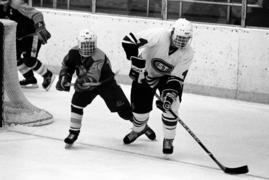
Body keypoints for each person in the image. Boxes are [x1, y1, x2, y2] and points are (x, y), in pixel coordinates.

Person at [55, 29, 156, 148]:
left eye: (90, 45)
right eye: (85, 45)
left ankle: (142, 127)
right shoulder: (73, 52)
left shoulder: (99, 56)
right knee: (76, 103)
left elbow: (93, 77)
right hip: (86, 85)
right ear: (79, 43)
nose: (88, 48)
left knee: (124, 111)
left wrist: (82, 82)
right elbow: (67, 65)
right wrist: (64, 78)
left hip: (106, 84)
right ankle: (73, 133)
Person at [121, 18, 194, 154]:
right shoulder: (159, 35)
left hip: (167, 78)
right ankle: (139, 129)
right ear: (172, 32)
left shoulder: (188, 53)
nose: (182, 42)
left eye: (185, 39)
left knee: (172, 105)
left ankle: (169, 139)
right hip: (145, 72)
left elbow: (177, 78)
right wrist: (136, 64)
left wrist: (169, 95)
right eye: (179, 37)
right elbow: (128, 40)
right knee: (139, 110)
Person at [0, 0, 55, 90]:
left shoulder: (16, 4)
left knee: (30, 60)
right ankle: (30, 79)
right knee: (13, 57)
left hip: (33, 35)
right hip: (20, 37)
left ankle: (48, 75)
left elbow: (37, 14)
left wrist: (40, 26)